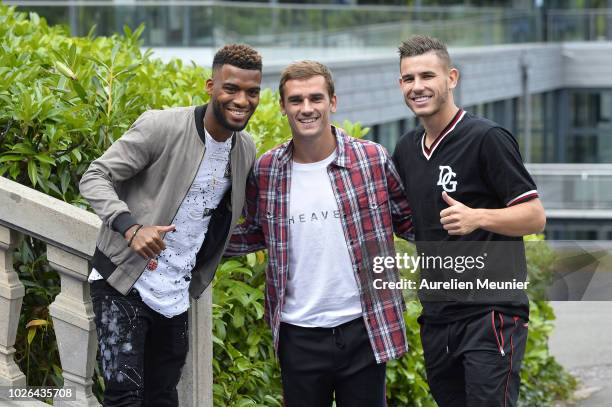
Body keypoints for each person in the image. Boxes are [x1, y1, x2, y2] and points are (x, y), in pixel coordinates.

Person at [79, 44, 262, 407]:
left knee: (162, 398)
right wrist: (131, 228)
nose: (241, 99)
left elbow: (221, 217)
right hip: (123, 283)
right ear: (211, 86)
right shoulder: (161, 125)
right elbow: (95, 176)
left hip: (175, 296)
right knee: (124, 396)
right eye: (231, 88)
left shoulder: (246, 149)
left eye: (252, 91)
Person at [225, 60, 413, 407]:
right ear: (282, 106)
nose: (306, 108)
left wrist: (480, 223)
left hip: (363, 326)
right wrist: (183, 240)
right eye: (296, 100)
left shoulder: (372, 159)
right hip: (299, 332)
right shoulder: (267, 169)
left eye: (316, 98)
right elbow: (252, 233)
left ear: (333, 102)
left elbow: (412, 223)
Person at [392, 35, 546, 407]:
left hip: (489, 313)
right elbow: (405, 220)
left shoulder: (487, 138)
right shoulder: (406, 149)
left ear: (452, 78)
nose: (418, 87)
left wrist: (477, 216)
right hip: (437, 316)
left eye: (427, 76)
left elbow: (534, 216)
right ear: (401, 85)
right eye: (409, 79)